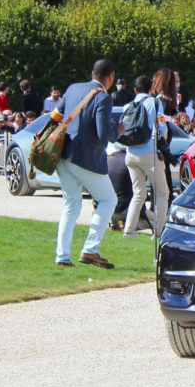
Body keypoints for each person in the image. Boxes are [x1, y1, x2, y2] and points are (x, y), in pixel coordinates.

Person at [53, 59, 124, 269]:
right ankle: (90, 250)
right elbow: (105, 134)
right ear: (110, 76)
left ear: (93, 73)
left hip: (64, 155)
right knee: (108, 200)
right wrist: (119, 131)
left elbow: (56, 115)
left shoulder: (73, 88)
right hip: (86, 157)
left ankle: (62, 256)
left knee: (70, 205)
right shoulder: (103, 97)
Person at [123, 74, 169, 238]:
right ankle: (158, 232)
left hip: (130, 153)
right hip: (149, 153)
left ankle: (129, 229)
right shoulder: (155, 103)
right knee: (162, 192)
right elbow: (162, 128)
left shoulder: (128, 106)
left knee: (138, 192)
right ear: (151, 89)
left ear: (135, 90)